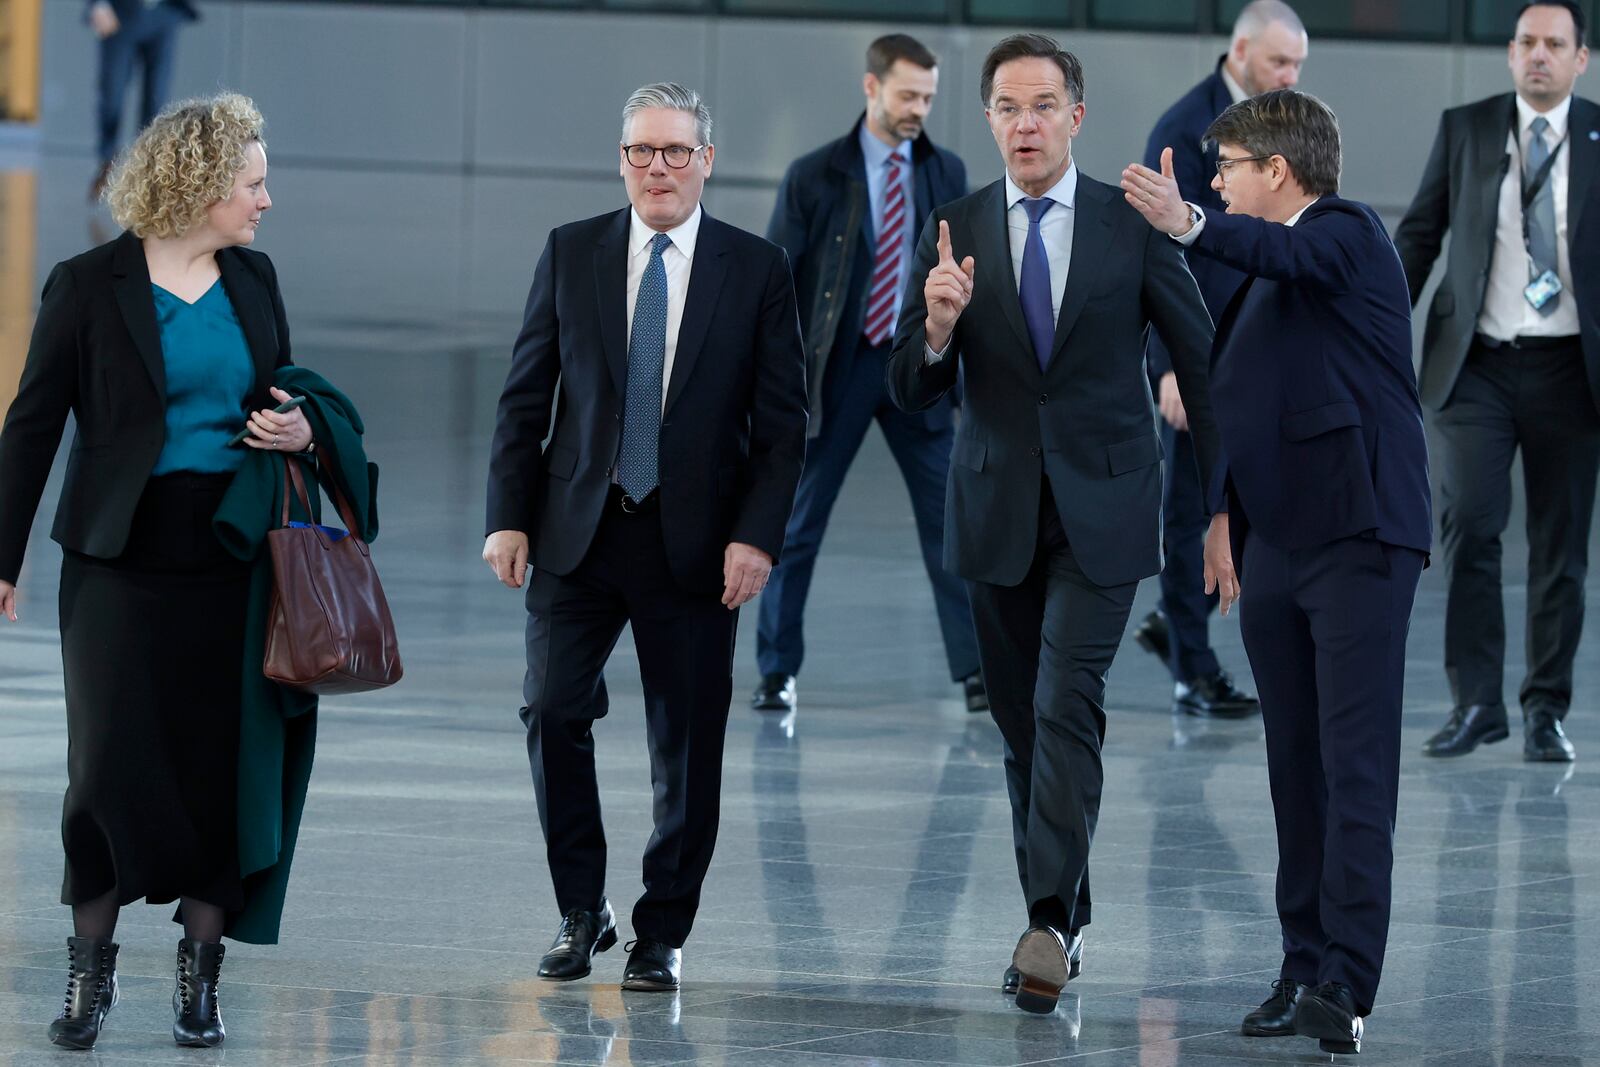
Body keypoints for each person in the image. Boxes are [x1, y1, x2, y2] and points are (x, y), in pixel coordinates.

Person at [0, 92, 359, 1050]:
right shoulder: (86, 286)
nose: (266, 200)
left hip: (234, 560)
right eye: (252, 182)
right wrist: (1, 555)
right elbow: (33, 424)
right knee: (106, 770)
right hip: (117, 563)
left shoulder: (255, 280)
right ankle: (89, 979)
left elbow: (281, 394)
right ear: (200, 186)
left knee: (217, 771)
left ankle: (200, 986)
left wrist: (299, 425)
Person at [887, 33, 1219, 1017]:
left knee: (1066, 699)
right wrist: (938, 326)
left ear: (1076, 116)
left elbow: (1198, 361)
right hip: (993, 512)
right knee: (1021, 725)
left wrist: (1224, 503)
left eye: (1042, 105)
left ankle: (1042, 918)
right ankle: (1069, 912)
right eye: (1005, 107)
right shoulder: (952, 225)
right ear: (986, 119)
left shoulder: (1129, 224)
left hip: (1106, 509)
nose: (1023, 123)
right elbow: (909, 385)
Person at [1122, 87, 1431, 1055]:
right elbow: (1236, 396)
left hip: (1360, 536)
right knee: (1292, 767)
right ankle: (1301, 963)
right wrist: (1220, 516)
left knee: (1352, 767)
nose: (1216, 181)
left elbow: (1280, 251)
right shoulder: (1256, 278)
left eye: (1229, 168)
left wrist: (1186, 221)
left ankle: (1347, 978)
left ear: (1279, 172)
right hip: (1276, 543)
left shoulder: (1344, 234)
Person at [483, 83, 807, 993]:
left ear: (707, 159)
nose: (656, 168)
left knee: (687, 743)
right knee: (551, 709)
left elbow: (784, 426)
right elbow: (523, 397)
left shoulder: (756, 268)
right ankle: (581, 908)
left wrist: (757, 538)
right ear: (620, 159)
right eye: (640, 152)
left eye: (674, 152)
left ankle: (662, 928)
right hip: (577, 531)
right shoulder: (572, 250)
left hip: (699, 545)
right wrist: (507, 515)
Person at [754, 34, 982, 715]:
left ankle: (976, 670)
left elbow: (967, 280)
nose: (919, 109)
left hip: (918, 361)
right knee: (797, 524)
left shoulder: (946, 172)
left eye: (929, 97)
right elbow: (777, 285)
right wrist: (775, 384)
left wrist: (964, 375)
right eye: (908, 94)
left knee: (951, 521)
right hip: (838, 367)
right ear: (871, 87)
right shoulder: (814, 175)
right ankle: (776, 671)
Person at [1394, 0, 1597, 763]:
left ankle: (1545, 708)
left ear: (1582, 58)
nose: (1537, 54)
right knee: (1471, 526)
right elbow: (1419, 233)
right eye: (1525, 42)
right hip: (1475, 363)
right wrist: (1374, 324)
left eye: (1555, 44)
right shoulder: (1467, 127)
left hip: (1572, 368)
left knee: (1560, 548)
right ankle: (1477, 701)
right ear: (1510, 54)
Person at [1132, 0, 1307, 717]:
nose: (1290, 76)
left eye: (1298, 64)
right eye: (1278, 62)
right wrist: (1168, 365)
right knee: (1193, 509)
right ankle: (1192, 667)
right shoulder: (1184, 127)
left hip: (1261, 342)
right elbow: (1155, 255)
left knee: (1254, 502)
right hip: (1197, 351)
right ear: (1239, 52)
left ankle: (1175, 626)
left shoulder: (1287, 124)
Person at [86, 0, 198, 201]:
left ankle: (148, 170)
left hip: (164, 12)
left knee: (156, 100)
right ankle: (107, 161)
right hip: (120, 12)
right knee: (112, 94)